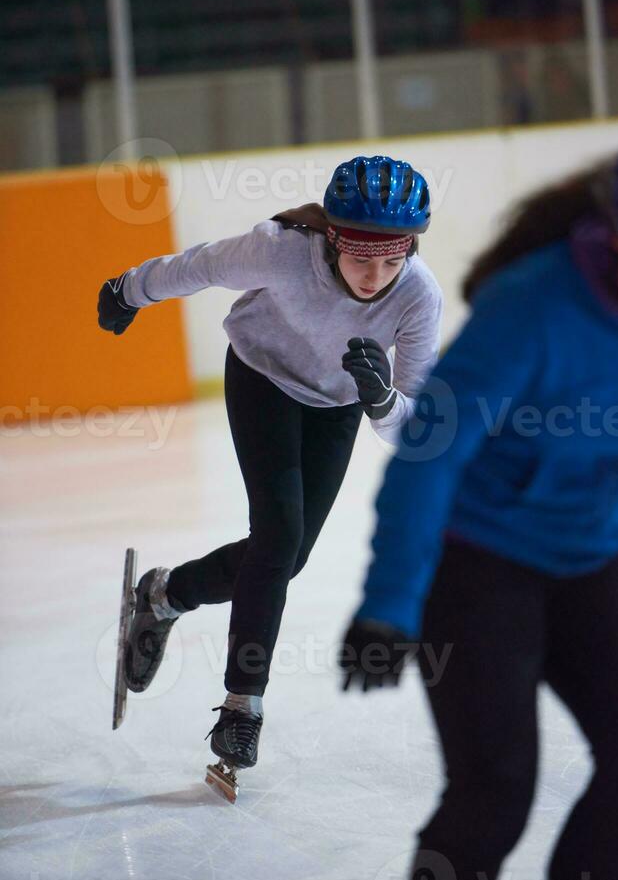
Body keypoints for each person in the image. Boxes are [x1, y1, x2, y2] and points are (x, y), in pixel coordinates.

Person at [339, 111, 618, 880]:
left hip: (601, 557)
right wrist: (390, 605)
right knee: (495, 791)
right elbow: (429, 454)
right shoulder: (533, 309)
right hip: (479, 561)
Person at [97, 155, 441, 778]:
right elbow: (199, 265)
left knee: (287, 556)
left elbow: (413, 429)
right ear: (334, 238)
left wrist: (384, 400)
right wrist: (130, 288)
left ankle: (165, 594)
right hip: (261, 379)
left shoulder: (419, 295)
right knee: (279, 537)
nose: (376, 276)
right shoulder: (281, 251)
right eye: (364, 258)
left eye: (393, 260)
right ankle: (242, 707)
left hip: (336, 406)